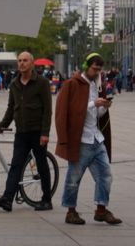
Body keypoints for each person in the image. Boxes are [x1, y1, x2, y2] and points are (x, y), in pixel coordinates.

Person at [55, 53, 122, 225]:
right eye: (95, 69)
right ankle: (70, 211)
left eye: (100, 70)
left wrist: (104, 107)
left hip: (96, 138)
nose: (97, 72)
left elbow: (95, 114)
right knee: (73, 178)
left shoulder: (95, 86)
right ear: (86, 66)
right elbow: (67, 110)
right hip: (81, 141)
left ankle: (101, 210)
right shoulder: (72, 84)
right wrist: (94, 104)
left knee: (106, 175)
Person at [0, 52, 53, 212]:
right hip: (22, 133)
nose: (22, 63)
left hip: (37, 132)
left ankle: (47, 200)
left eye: (25, 61)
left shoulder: (42, 83)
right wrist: (1, 126)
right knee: (16, 165)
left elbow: (47, 110)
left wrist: (45, 133)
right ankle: (7, 199)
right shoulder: (14, 84)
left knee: (42, 165)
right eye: (19, 61)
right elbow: (11, 109)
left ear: (32, 64)